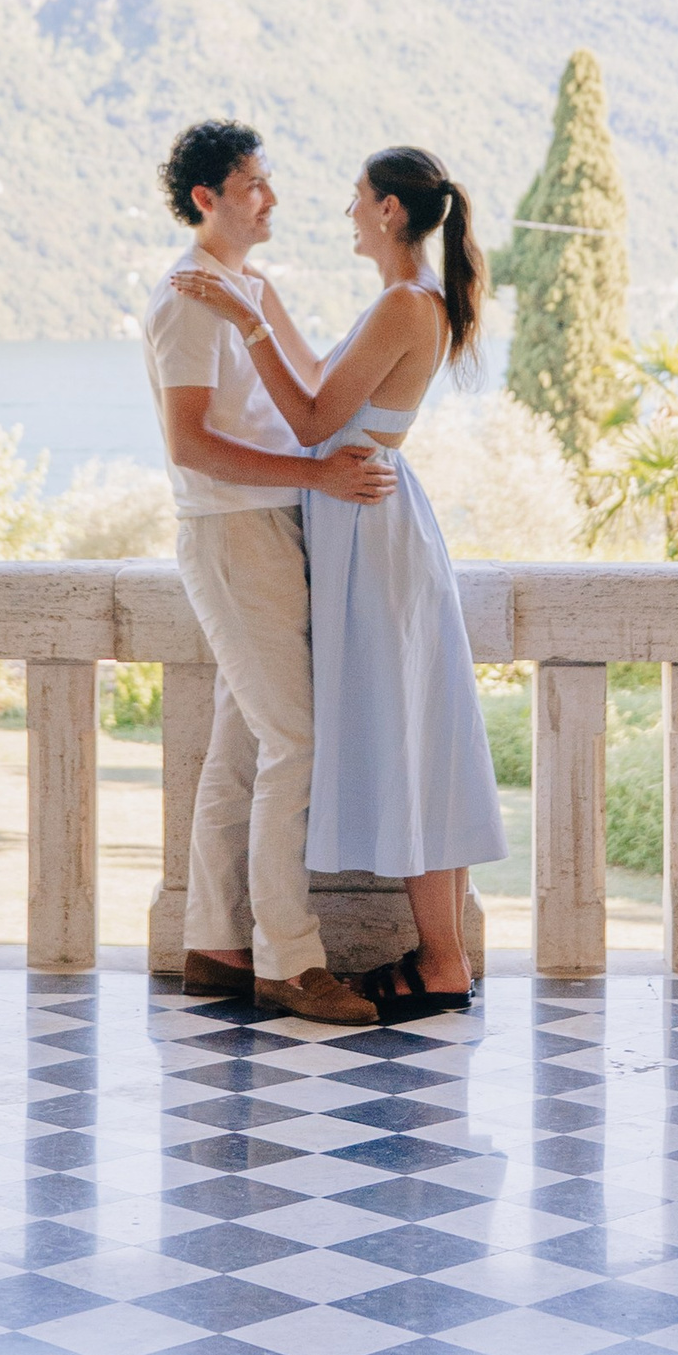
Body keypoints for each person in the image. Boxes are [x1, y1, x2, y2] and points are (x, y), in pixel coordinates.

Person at [173, 144, 506, 1015]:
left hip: (373, 536)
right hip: (361, 528)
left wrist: (246, 325)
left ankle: (441, 960)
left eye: (357, 198)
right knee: (404, 738)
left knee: (413, 741)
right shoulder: (399, 302)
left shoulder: (405, 304)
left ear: (391, 210)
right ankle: (436, 956)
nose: (347, 211)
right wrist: (260, 300)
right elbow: (324, 379)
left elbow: (314, 414)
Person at [142, 118, 398, 1027]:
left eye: (268, 179)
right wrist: (318, 476)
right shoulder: (185, 302)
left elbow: (312, 386)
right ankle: (291, 964)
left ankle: (216, 942)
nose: (272, 196)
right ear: (207, 197)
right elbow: (190, 443)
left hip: (272, 530)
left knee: (245, 745)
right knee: (298, 743)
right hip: (232, 536)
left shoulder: (244, 289)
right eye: (253, 183)